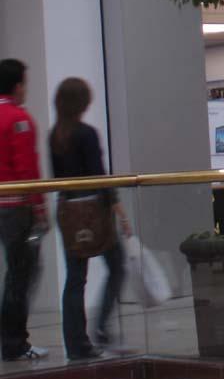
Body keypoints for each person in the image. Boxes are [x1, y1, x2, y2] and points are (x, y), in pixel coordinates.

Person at [49, 78, 132, 359]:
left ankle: (76, 343)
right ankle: (102, 329)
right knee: (117, 264)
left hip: (68, 212)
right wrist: (117, 210)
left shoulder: (56, 135)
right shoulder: (86, 134)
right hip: (93, 211)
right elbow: (100, 176)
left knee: (75, 278)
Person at [0, 59, 49, 361]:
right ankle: (14, 341)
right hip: (17, 209)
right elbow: (27, 169)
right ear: (18, 86)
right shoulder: (19, 120)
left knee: (14, 274)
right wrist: (39, 206)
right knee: (22, 274)